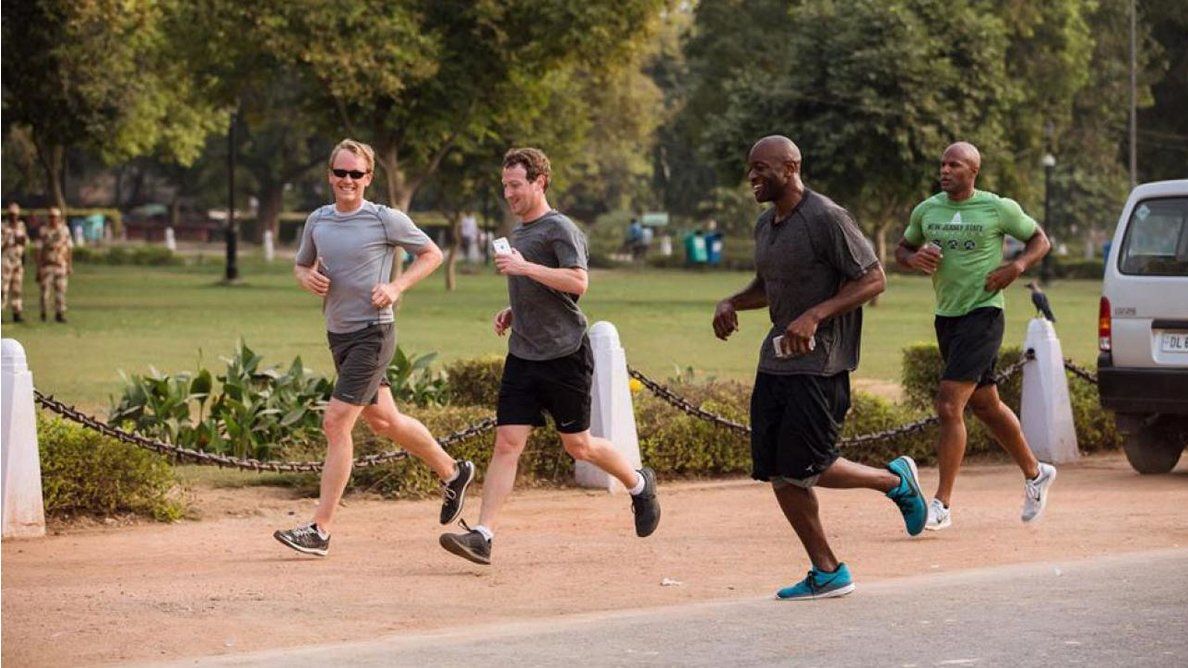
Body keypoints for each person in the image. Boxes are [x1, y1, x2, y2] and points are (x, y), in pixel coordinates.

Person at [712, 135, 927, 601]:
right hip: (776, 362)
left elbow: (874, 278)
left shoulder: (827, 217)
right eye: (750, 168)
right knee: (777, 471)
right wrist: (732, 301)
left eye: (761, 168)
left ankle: (895, 482)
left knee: (810, 466)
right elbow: (769, 286)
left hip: (822, 364)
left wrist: (815, 314)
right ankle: (827, 570)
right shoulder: (766, 225)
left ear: (791, 168)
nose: (752, 176)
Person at [439, 147, 660, 565]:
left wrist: (525, 270)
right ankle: (483, 535)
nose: (509, 193)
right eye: (505, 185)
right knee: (507, 443)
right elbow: (540, 287)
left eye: (516, 185)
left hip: (565, 353)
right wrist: (514, 309)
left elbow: (578, 282)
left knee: (579, 446)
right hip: (523, 352)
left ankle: (638, 482)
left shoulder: (561, 229)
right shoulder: (519, 232)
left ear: (539, 181)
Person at [274, 139, 476, 557]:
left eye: (357, 174)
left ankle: (320, 529)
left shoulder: (384, 219)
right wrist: (304, 277)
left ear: (369, 178)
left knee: (336, 423)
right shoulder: (318, 221)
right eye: (341, 173)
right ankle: (453, 472)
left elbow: (432, 254)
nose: (348, 181)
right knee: (384, 421)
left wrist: (397, 285)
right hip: (339, 333)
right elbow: (301, 263)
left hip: (373, 332)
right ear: (331, 175)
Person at [895, 141, 1056, 532]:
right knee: (985, 405)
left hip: (984, 314)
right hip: (946, 317)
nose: (945, 170)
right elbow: (903, 248)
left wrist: (1016, 266)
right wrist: (913, 259)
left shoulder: (998, 207)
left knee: (950, 405)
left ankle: (942, 504)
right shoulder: (927, 209)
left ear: (973, 171)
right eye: (943, 164)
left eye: (955, 164)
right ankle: (1036, 473)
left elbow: (1041, 240)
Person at [36, 207, 72, 323]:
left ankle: (59, 314)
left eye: (55, 217)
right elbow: (38, 250)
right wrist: (38, 268)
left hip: (60, 265)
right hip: (47, 265)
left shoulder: (64, 230)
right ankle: (44, 314)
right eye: (51, 217)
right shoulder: (43, 231)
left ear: (59, 218)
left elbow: (69, 248)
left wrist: (69, 265)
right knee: (44, 292)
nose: (53, 219)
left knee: (60, 292)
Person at [2, 203, 29, 322]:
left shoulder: (21, 226)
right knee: (3, 288)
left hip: (17, 261)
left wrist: (21, 241)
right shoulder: (2, 226)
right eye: (11, 215)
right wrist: (11, 240)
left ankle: (16, 313)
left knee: (17, 288)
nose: (13, 217)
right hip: (5, 261)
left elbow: (25, 241)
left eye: (15, 215)